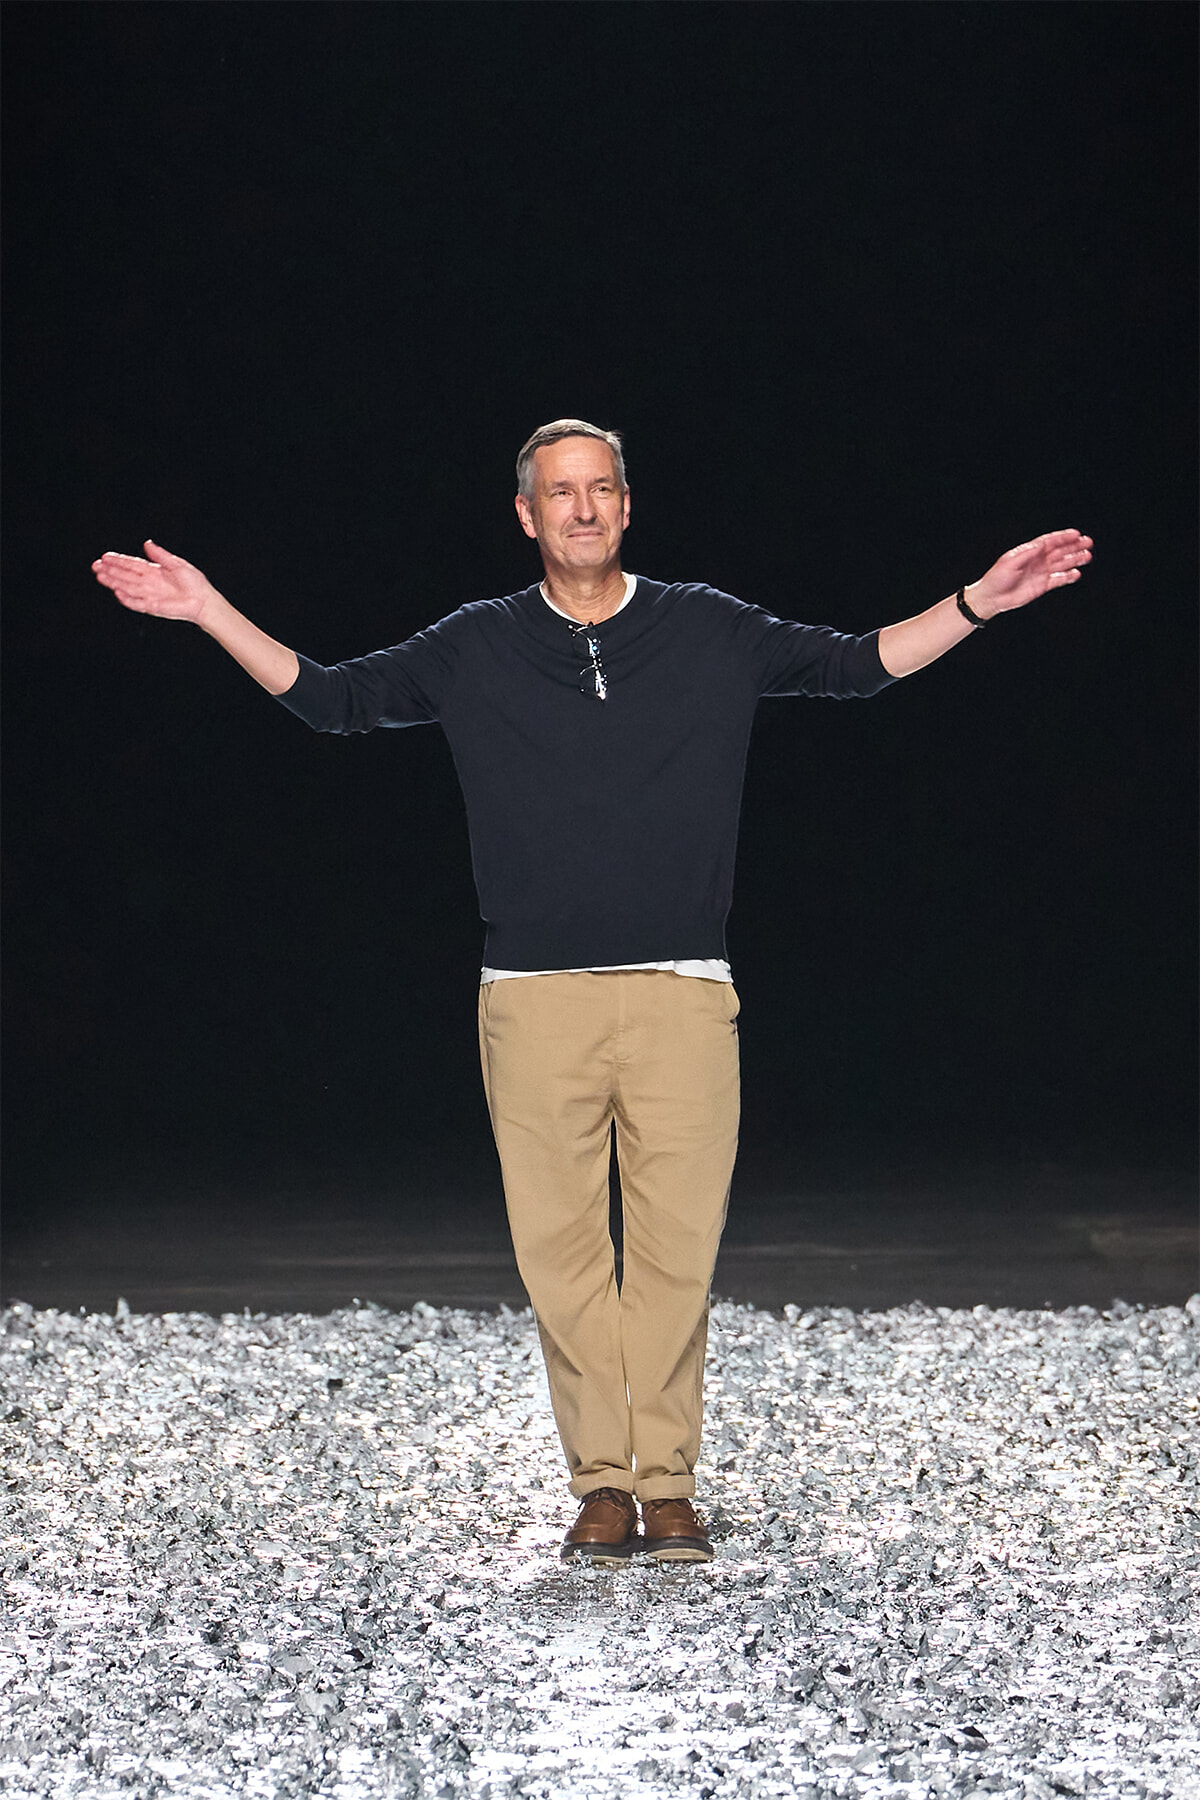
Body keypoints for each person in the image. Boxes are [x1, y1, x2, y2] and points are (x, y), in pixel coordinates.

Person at [92, 418, 1092, 1565]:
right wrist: (210, 609)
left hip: (680, 995)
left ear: (627, 505)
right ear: (526, 515)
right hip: (533, 999)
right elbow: (334, 700)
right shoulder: (476, 645)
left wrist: (980, 600)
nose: (582, 508)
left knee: (673, 1254)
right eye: (560, 493)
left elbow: (853, 665)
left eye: (601, 489)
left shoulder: (708, 627)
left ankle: (667, 1485)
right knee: (562, 1259)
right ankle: (603, 1486)